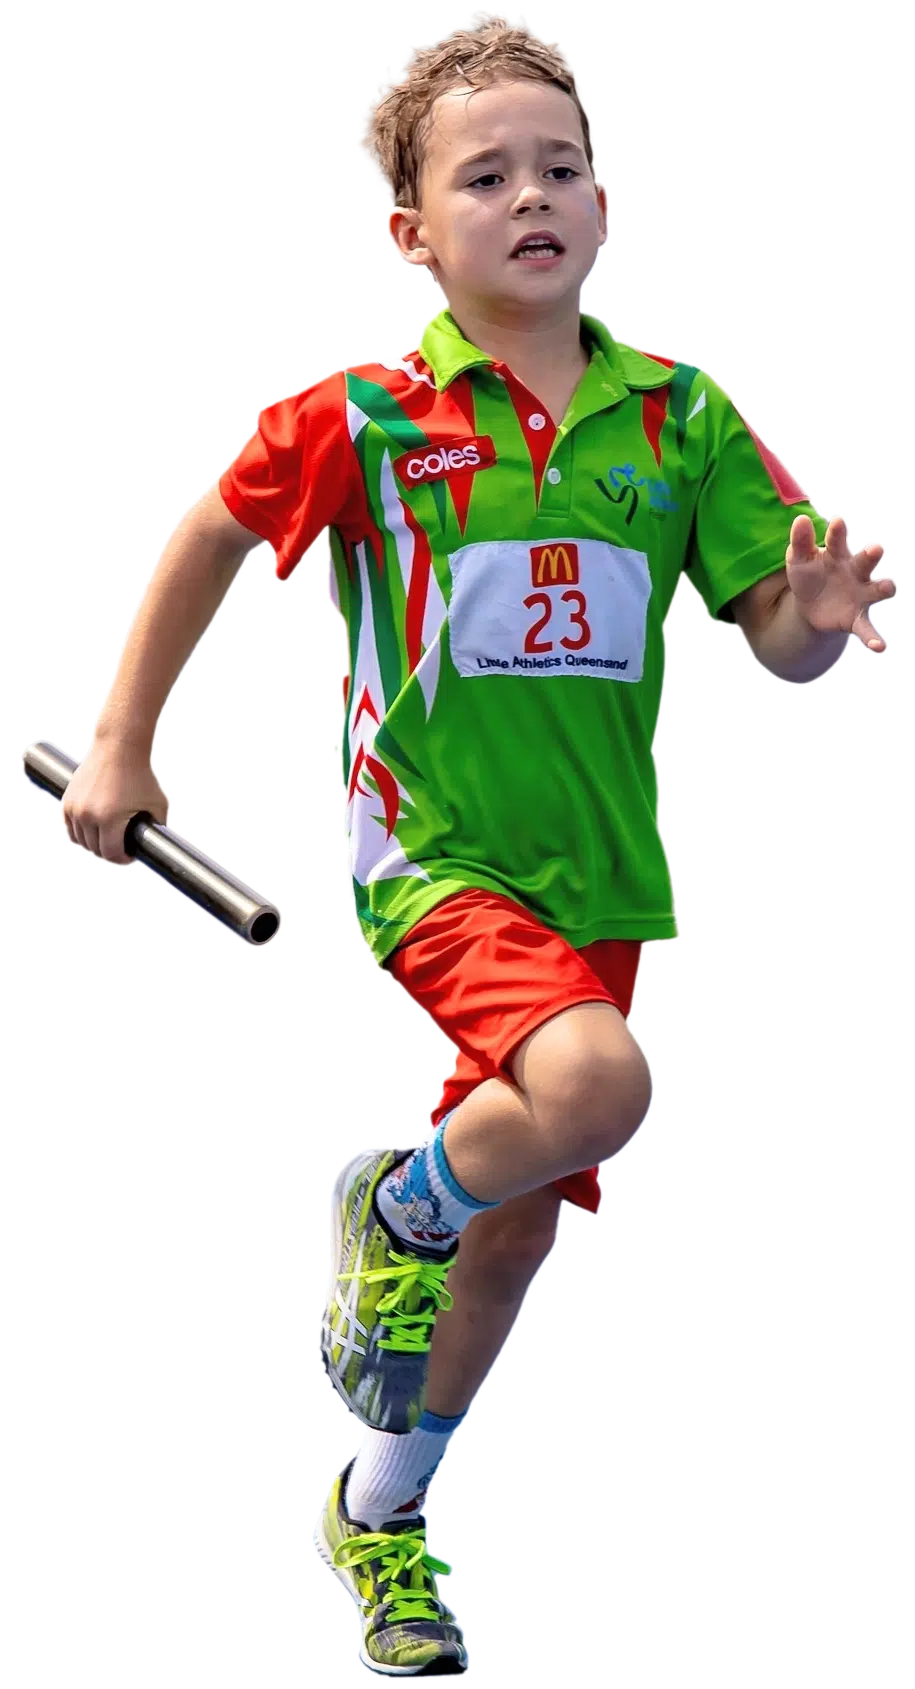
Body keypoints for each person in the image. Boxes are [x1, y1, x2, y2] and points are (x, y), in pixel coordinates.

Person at [60, 11, 894, 1679]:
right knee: (597, 1089)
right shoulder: (362, 417)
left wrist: (805, 618)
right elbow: (215, 535)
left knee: (509, 1242)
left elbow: (779, 643)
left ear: (606, 207)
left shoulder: (680, 418)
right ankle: (396, 1204)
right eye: (486, 174)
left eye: (562, 169)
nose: (532, 196)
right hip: (433, 861)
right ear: (410, 232)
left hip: (602, 881)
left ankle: (378, 1519)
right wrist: (126, 747)